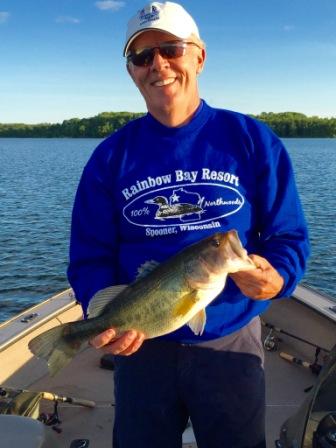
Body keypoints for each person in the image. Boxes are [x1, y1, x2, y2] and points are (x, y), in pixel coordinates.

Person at [67, 2, 310, 447]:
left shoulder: (252, 140)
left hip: (230, 340)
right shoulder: (109, 158)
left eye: (171, 49)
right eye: (142, 57)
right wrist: (100, 318)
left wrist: (278, 277)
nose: (158, 64)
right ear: (132, 72)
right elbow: (89, 257)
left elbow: (288, 236)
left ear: (199, 56)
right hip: (141, 351)